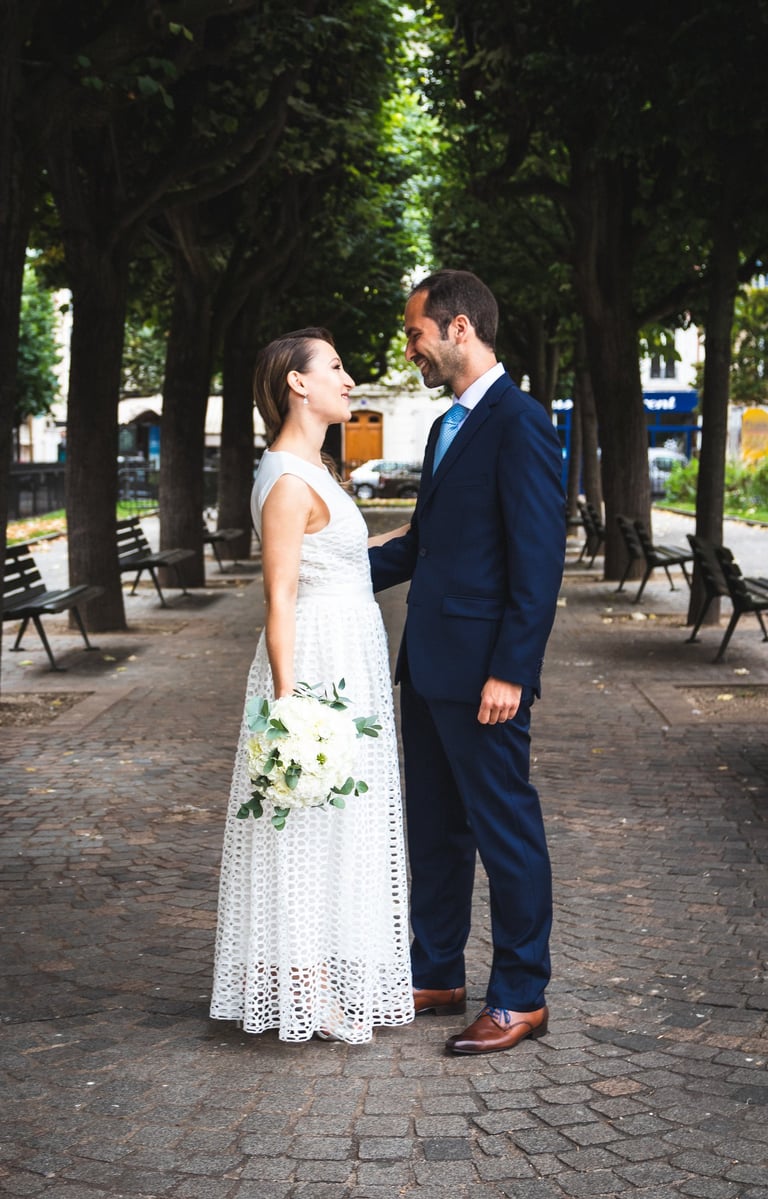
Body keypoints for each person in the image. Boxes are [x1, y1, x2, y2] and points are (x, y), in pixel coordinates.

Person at [369, 270, 565, 1055]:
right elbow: (422, 546)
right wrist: (324, 566)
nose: (409, 348)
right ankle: (437, 968)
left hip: (487, 673)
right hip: (427, 665)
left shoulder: (520, 422)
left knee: (504, 829)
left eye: (416, 333)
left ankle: (521, 992)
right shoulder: (445, 425)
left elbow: (538, 559)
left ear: (457, 329)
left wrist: (512, 670)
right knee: (436, 828)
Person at [210, 327, 414, 1043]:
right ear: (298, 383)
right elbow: (281, 595)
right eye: (335, 367)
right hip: (320, 659)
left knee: (340, 820)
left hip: (349, 648)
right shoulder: (289, 479)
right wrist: (290, 708)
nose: (349, 379)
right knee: (311, 819)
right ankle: (306, 988)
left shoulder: (317, 468)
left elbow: (351, 556)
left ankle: (322, 972)